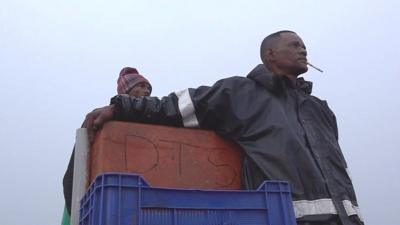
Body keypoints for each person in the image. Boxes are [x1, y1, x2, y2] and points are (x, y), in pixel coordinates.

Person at [82, 31, 363, 225]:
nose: (303, 49)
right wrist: (120, 108)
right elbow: (177, 107)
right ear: (271, 54)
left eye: (304, 45)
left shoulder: (320, 109)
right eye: (294, 44)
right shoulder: (241, 93)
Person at [61, 67, 152, 225]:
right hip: (104, 206)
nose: (147, 91)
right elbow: (74, 172)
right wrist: (79, 212)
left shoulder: (153, 121)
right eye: (141, 86)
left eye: (149, 88)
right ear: (126, 90)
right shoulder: (99, 118)